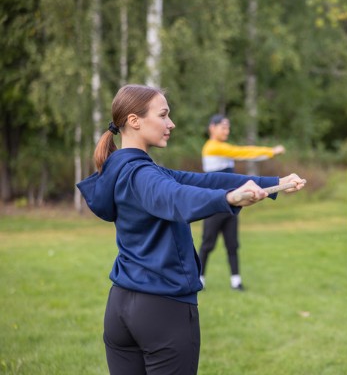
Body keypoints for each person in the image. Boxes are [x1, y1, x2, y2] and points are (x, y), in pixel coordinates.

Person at [76, 84, 305, 375]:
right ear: (134, 120)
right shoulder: (143, 174)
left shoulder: (123, 168)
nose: (170, 123)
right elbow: (175, 198)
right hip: (162, 309)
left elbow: (203, 182)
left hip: (120, 306)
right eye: (163, 115)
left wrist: (271, 183)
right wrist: (229, 199)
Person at [199, 114, 285, 291]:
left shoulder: (223, 147)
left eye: (228, 127)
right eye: (223, 127)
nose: (227, 130)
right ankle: (199, 280)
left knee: (232, 243)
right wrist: (271, 151)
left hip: (232, 203)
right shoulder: (212, 147)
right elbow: (243, 152)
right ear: (212, 128)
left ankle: (236, 282)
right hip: (215, 204)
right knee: (207, 244)